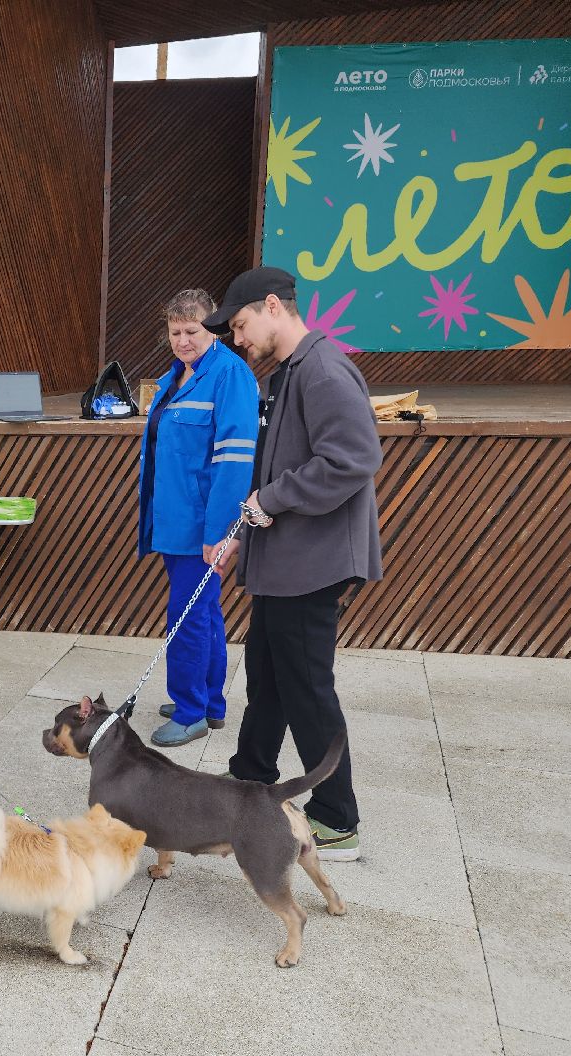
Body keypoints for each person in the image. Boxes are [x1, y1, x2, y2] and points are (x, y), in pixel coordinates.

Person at [202, 266, 382, 861]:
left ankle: (337, 820)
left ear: (272, 306)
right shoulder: (286, 374)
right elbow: (271, 479)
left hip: (314, 564)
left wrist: (270, 501)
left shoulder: (324, 369)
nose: (237, 338)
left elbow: (353, 459)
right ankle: (247, 785)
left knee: (306, 690)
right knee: (268, 682)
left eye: (241, 324)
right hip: (283, 562)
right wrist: (241, 536)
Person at [137, 288, 259, 748]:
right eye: (175, 332)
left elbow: (234, 461)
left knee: (185, 618)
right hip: (172, 521)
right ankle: (211, 703)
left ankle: (189, 712)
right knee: (203, 612)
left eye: (192, 331)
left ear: (212, 328)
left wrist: (222, 532)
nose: (183, 340)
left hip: (201, 527)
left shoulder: (230, 375)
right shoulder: (178, 375)